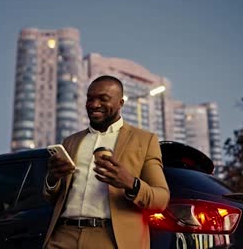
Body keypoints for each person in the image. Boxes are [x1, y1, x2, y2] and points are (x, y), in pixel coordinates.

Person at [43, 75, 170, 249]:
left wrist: (131, 184)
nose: (94, 105)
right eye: (90, 99)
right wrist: (52, 178)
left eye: (103, 99)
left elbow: (161, 199)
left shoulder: (145, 140)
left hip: (111, 239)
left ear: (121, 103)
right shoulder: (70, 142)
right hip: (63, 237)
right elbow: (51, 197)